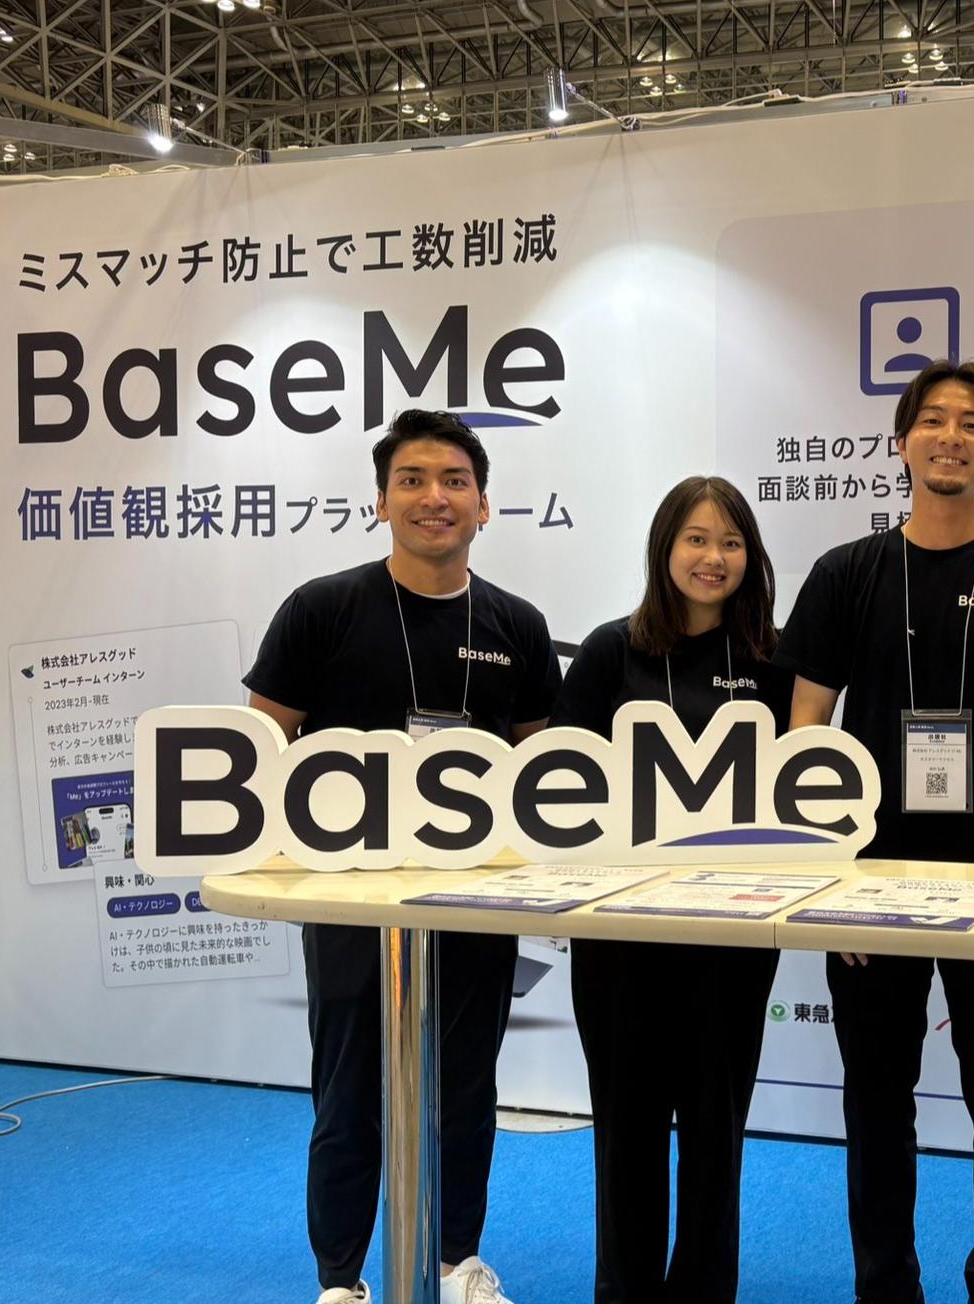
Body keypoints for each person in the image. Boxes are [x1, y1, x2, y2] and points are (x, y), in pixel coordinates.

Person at [776, 359, 974, 1304]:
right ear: (902, 440)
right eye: (934, 420)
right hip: (867, 879)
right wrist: (823, 876)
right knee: (877, 1099)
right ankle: (886, 1286)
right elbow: (805, 726)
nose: (952, 437)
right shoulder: (845, 573)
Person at [245, 409, 561, 1304]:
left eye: (455, 481)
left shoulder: (517, 624)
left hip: (476, 900)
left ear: (484, 505)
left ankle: (457, 1261)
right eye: (412, 480)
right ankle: (340, 1280)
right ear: (380, 501)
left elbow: (547, 772)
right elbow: (260, 752)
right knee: (349, 1090)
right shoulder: (322, 610)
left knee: (465, 1088)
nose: (435, 497)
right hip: (349, 899)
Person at [550, 476, 793, 1304]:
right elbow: (561, 793)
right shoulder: (607, 653)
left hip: (731, 938)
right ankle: (623, 1290)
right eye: (696, 539)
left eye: (730, 542)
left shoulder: (775, 662)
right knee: (627, 1129)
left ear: (751, 557)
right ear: (664, 549)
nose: (712, 558)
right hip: (620, 938)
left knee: (716, 1132)